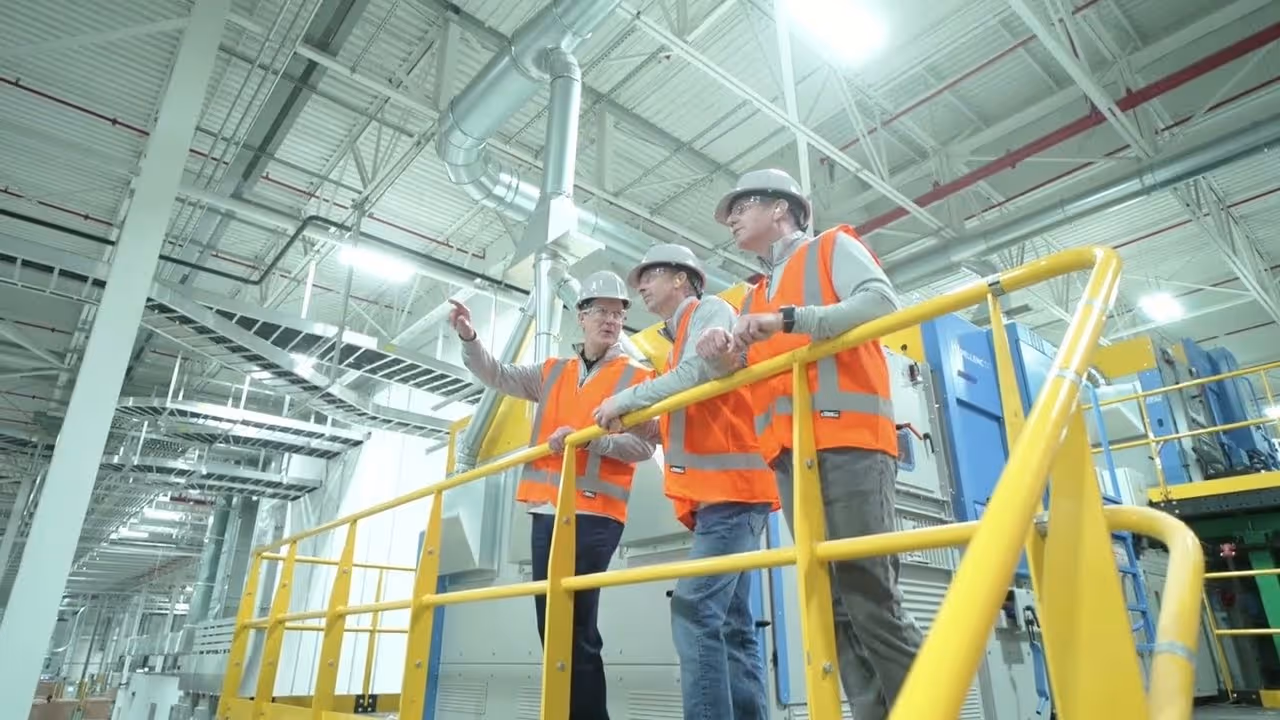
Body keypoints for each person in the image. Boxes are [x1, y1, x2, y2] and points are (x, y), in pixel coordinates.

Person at [695, 168, 924, 720]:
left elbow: (880, 304)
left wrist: (791, 320)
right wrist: (720, 351)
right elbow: (743, 370)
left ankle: (925, 706)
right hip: (790, 458)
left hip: (847, 440)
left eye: (741, 207)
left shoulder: (832, 247)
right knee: (833, 602)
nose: (731, 220)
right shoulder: (754, 293)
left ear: (781, 209)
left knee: (871, 596)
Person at [448, 270, 657, 720]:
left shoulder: (638, 376)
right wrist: (469, 338)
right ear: (580, 316)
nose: (611, 320)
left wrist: (591, 440)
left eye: (619, 313)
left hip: (597, 515)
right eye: (601, 311)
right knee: (552, 624)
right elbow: (497, 374)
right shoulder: (552, 372)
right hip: (546, 512)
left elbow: (644, 445)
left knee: (578, 625)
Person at [592, 244, 779, 720]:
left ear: (681, 279)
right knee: (732, 626)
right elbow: (678, 422)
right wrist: (636, 422)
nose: (641, 286)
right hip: (720, 499)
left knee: (694, 611)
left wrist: (626, 399)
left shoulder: (710, 309)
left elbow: (696, 374)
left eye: (648, 275)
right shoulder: (676, 341)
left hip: (733, 494)